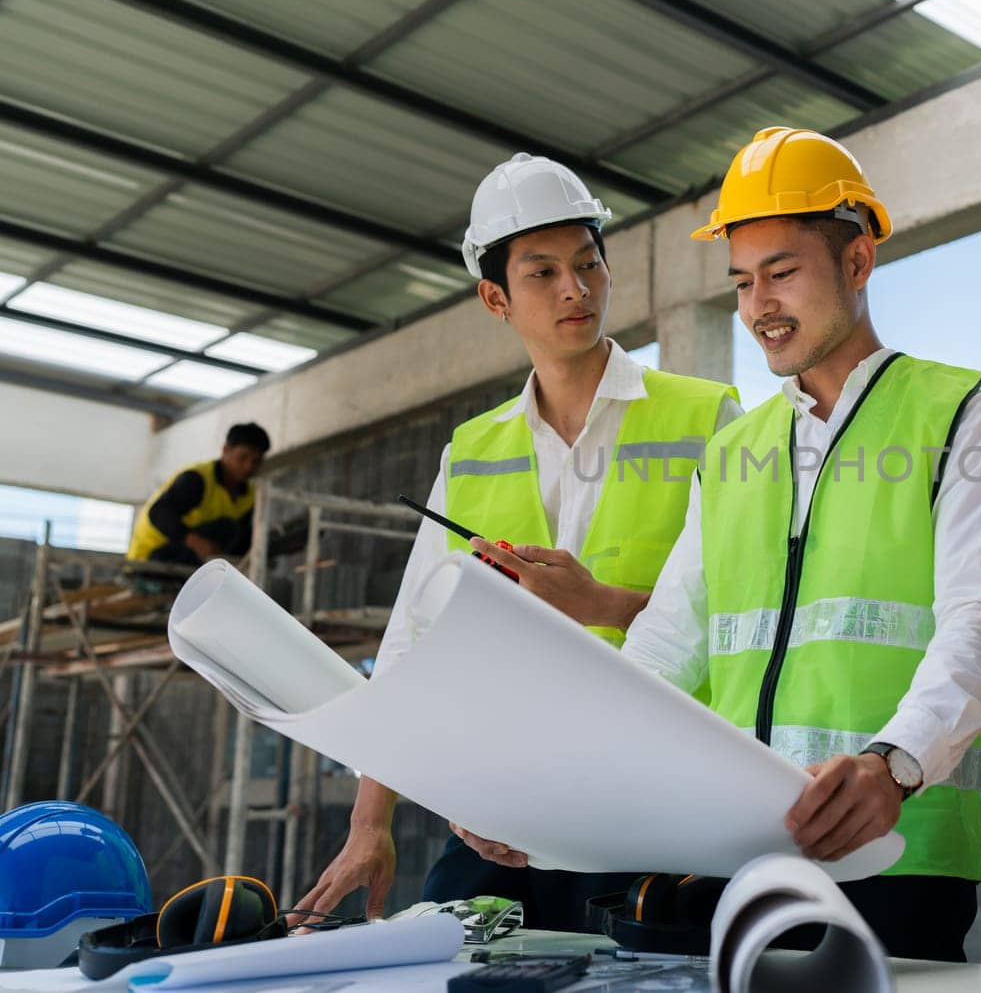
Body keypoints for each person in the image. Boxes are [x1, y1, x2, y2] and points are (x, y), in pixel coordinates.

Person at [475, 127, 981, 961]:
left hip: (893, 854)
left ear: (856, 262)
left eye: (782, 273)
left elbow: (977, 624)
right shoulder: (733, 452)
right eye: (741, 283)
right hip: (740, 860)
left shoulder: (963, 413)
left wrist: (894, 763)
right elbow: (668, 644)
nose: (759, 306)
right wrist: (544, 782)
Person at [293, 153, 740, 932]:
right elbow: (412, 640)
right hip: (496, 821)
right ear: (495, 297)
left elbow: (746, 616)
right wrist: (371, 821)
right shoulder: (469, 450)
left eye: (587, 263)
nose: (575, 289)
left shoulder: (710, 416)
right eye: (542, 273)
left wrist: (601, 602)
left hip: (647, 816)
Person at [126, 423, 270, 564]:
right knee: (227, 528)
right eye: (242, 457)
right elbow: (158, 513)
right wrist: (194, 541)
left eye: (256, 461)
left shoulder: (250, 495)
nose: (248, 466)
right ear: (226, 451)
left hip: (188, 555)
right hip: (150, 556)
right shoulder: (197, 479)